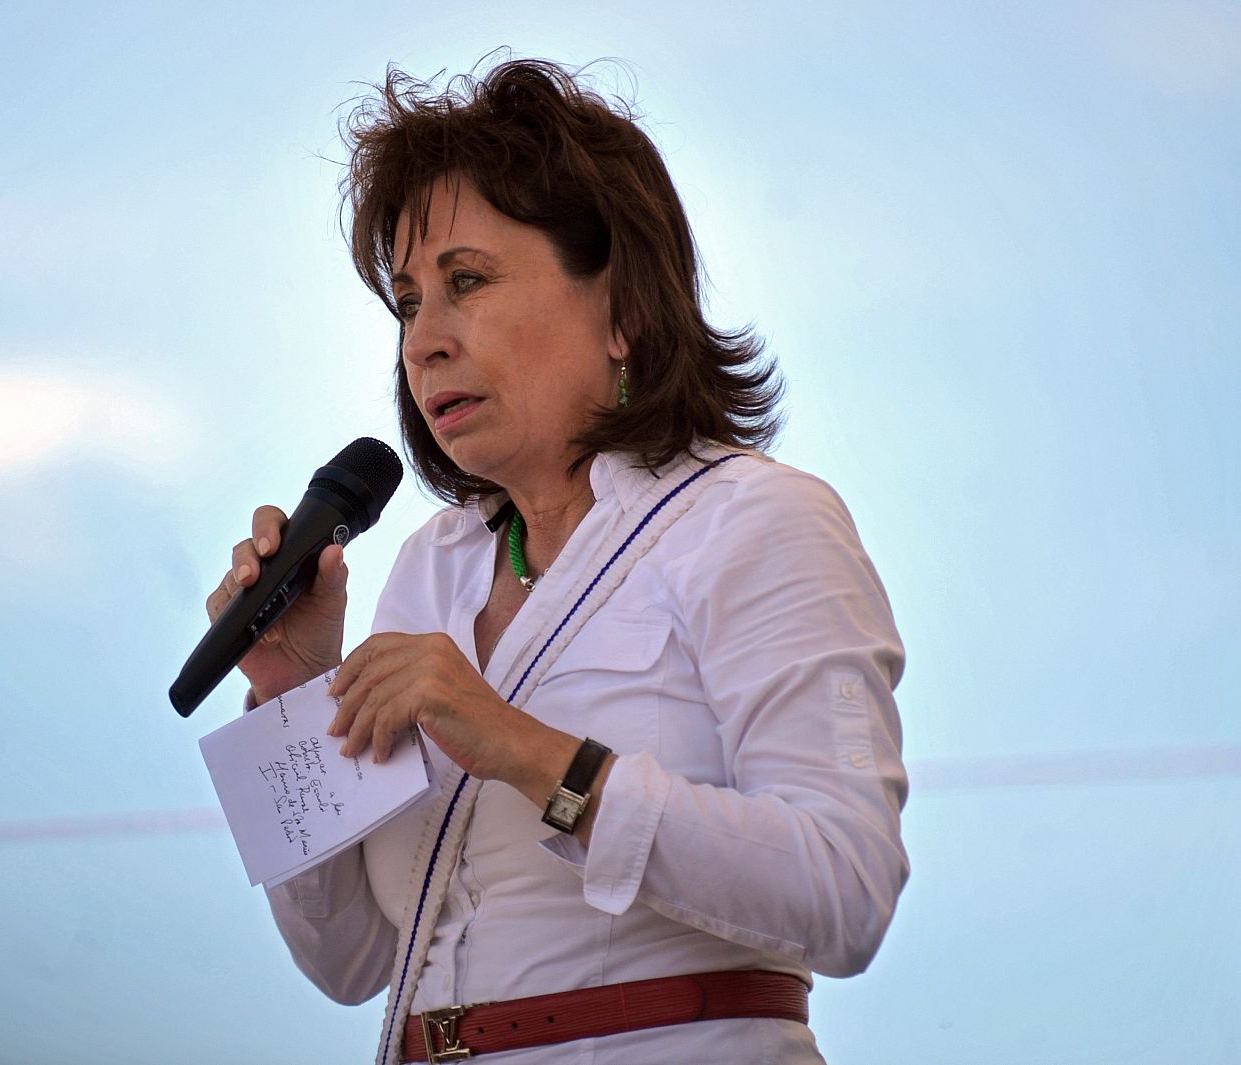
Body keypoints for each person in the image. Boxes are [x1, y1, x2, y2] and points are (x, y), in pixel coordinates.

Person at [205, 56, 908, 1064]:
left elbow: (845, 894)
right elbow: (350, 961)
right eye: (406, 303)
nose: (425, 342)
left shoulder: (756, 521)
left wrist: (523, 749)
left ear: (621, 307)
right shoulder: (429, 568)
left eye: (468, 282)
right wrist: (290, 694)